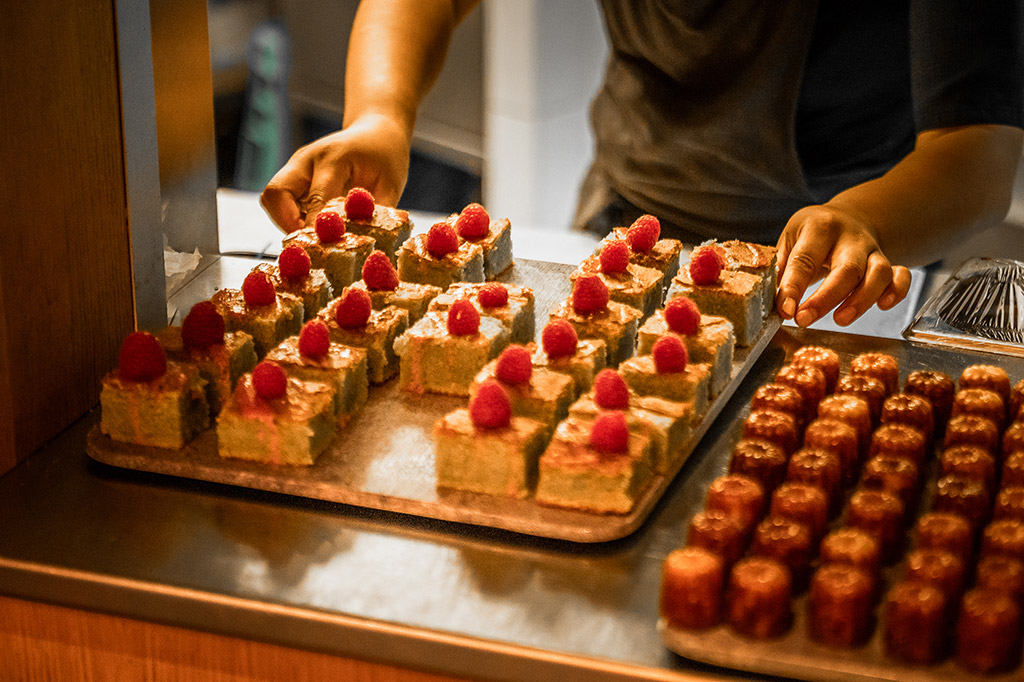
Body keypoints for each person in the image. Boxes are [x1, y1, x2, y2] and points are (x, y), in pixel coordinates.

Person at [260, 0, 1023, 328]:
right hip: (633, 234)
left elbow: (977, 161)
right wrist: (381, 115)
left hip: (852, 281)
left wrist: (863, 220)